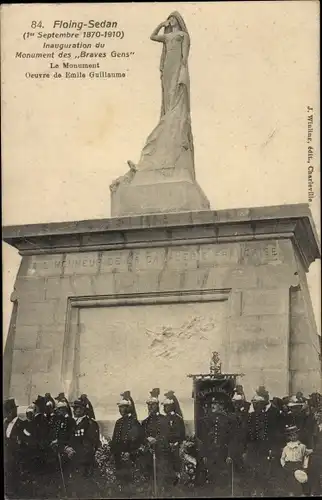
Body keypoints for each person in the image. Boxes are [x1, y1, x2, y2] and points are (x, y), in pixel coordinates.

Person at [244, 388, 282, 496]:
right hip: (254, 448)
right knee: (253, 470)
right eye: (255, 404)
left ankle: (266, 491)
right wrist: (247, 446)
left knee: (266, 471)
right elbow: (247, 432)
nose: (256, 406)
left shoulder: (270, 415)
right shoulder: (251, 416)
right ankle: (254, 491)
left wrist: (272, 447)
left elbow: (274, 433)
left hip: (266, 447)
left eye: (259, 404)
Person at [199, 397, 236, 489]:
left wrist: (229, 454)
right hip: (210, 453)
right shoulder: (206, 420)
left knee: (222, 477)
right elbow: (204, 439)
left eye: (216, 404)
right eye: (212, 404)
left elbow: (231, 439)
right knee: (211, 476)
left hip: (222, 452)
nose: (213, 406)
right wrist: (204, 454)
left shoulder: (228, 420)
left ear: (221, 406)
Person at [141, 391, 170, 493]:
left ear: (157, 406)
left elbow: (166, 434)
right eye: (148, 405)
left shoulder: (164, 419)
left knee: (161, 478)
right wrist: (147, 440)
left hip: (161, 453)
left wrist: (156, 440)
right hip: (149, 454)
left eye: (152, 405)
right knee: (150, 478)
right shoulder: (145, 422)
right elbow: (142, 436)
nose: (150, 407)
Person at [110, 398, 143, 490]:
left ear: (128, 408)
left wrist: (129, 452)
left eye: (123, 407)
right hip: (118, 456)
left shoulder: (133, 422)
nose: (120, 409)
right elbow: (114, 439)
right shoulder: (118, 422)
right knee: (120, 480)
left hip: (129, 457)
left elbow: (136, 440)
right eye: (120, 407)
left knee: (128, 482)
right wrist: (113, 452)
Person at [280, 425, 312, 496]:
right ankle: (291, 493)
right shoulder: (286, 447)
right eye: (291, 435)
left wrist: (305, 467)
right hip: (289, 465)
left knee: (301, 479)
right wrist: (284, 465)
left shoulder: (302, 446)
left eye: (294, 435)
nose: (293, 437)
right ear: (288, 437)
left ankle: (304, 493)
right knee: (290, 481)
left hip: (298, 465)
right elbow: (282, 458)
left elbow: (306, 456)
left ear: (297, 435)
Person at [4, 398, 25, 498]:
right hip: (6, 457)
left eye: (9, 410)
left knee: (14, 481)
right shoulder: (5, 423)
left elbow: (23, 442)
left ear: (14, 410)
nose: (8, 413)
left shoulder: (21, 424)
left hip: (15, 458)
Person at [162, 396, 186, 485]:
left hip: (177, 446)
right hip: (166, 446)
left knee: (176, 464)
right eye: (164, 406)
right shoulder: (163, 419)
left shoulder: (178, 418)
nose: (164, 408)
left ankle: (177, 482)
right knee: (167, 464)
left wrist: (177, 443)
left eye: (166, 406)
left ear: (171, 406)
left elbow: (182, 434)